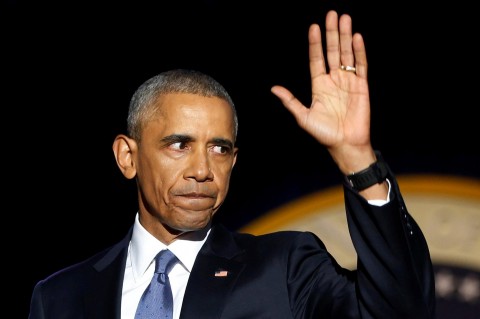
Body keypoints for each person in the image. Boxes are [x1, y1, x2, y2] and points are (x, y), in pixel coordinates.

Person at [28, 10, 435, 319]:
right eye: (179, 145)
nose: (202, 169)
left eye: (220, 149)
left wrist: (356, 157)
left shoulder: (285, 268)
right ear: (128, 157)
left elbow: (401, 311)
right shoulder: (61, 297)